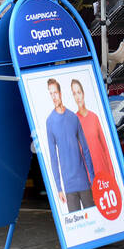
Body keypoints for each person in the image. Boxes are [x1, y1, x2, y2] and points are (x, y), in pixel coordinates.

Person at [44, 78, 95, 213]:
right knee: (78, 229)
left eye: (55, 92)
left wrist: (93, 178)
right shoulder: (50, 122)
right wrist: (59, 188)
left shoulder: (73, 117)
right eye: (51, 94)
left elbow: (86, 150)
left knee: (95, 222)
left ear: (60, 93)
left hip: (84, 182)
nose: (54, 96)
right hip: (68, 185)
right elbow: (53, 157)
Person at [71, 78, 118, 203]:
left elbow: (105, 148)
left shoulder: (94, 117)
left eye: (79, 92)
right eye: (74, 93)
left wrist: (112, 176)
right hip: (87, 177)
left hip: (103, 173)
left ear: (83, 93)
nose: (77, 96)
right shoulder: (73, 121)